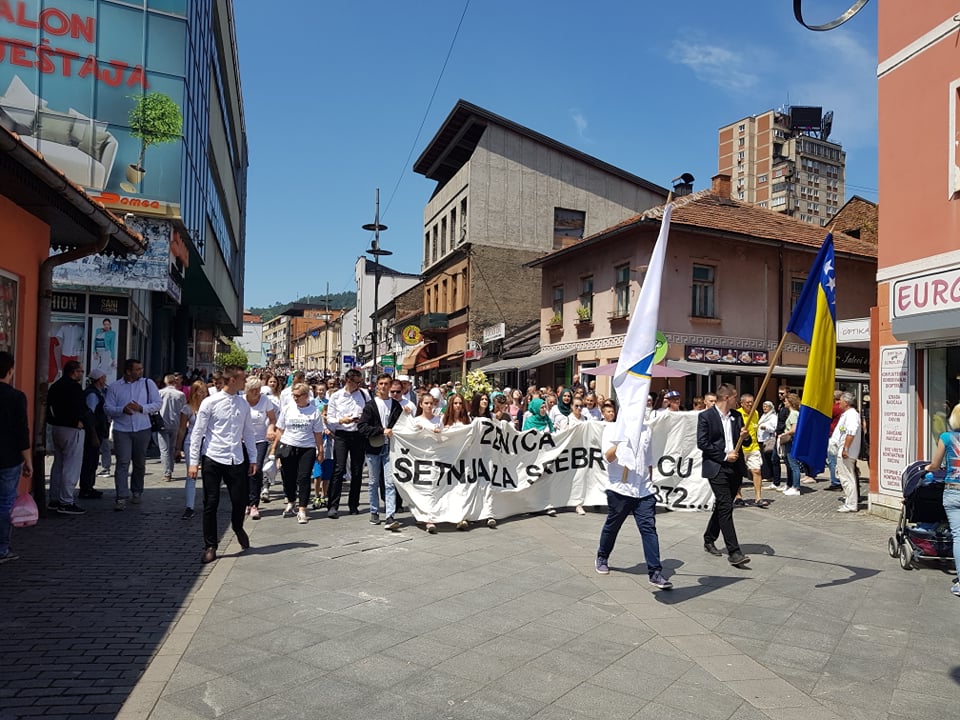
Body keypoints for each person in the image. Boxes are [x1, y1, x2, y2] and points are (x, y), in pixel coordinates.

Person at [594, 401, 672, 589]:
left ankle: (655, 572)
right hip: (620, 488)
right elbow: (608, 457)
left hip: (643, 490)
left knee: (648, 529)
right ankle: (602, 556)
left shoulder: (646, 430)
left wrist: (650, 482)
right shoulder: (612, 429)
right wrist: (623, 441)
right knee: (613, 525)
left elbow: (649, 460)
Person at [189, 366, 257, 563]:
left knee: (239, 500)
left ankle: (237, 526)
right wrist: (193, 462)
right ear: (232, 380)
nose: (245, 382)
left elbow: (248, 432)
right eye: (243, 379)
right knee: (211, 502)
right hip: (213, 456)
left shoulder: (243, 404)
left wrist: (253, 458)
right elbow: (198, 432)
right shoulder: (210, 402)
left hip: (236, 458)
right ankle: (210, 545)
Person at [697, 383, 750, 567]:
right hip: (717, 466)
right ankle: (734, 552)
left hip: (735, 468)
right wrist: (724, 456)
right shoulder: (706, 416)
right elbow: (702, 443)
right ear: (727, 398)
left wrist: (745, 435)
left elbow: (746, 441)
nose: (738, 401)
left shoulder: (737, 416)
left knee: (722, 505)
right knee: (726, 505)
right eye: (735, 397)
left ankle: (709, 538)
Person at [104, 358, 161, 511]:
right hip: (122, 429)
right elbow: (107, 408)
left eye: (141, 369)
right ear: (128, 371)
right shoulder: (115, 387)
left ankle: (137, 491)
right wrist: (122, 409)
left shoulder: (147, 384)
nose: (140, 372)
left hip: (143, 428)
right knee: (122, 462)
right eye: (137, 369)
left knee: (139, 462)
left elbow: (157, 403)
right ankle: (121, 496)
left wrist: (141, 408)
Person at [271, 382, 325, 524]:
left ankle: (302, 509)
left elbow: (318, 434)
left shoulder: (314, 411)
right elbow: (280, 430)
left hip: (307, 447)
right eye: (293, 395)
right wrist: (274, 449)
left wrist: (320, 450)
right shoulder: (288, 408)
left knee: (304, 478)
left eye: (298, 395)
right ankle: (291, 500)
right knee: (289, 477)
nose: (295, 398)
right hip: (288, 445)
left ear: (306, 396)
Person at [46, 360, 93, 515]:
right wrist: (79, 422)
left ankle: (54, 499)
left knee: (58, 464)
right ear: (74, 372)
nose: (82, 374)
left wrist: (53, 421)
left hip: (57, 427)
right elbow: (79, 408)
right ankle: (66, 501)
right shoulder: (74, 387)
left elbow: (49, 407)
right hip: (72, 429)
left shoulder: (55, 386)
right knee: (71, 466)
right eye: (80, 371)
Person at [358, 374, 402, 530]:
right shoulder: (370, 405)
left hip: (391, 449)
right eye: (381, 383)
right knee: (373, 482)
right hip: (373, 447)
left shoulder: (396, 405)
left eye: (387, 384)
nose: (384, 386)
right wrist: (381, 430)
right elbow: (362, 427)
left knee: (390, 483)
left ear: (390, 386)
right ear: (377, 385)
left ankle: (390, 515)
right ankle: (374, 511)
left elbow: (402, 425)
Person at [925, 402, 960, 597]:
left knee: (959, 536)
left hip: (953, 490)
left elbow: (936, 465)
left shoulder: (946, 437)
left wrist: (928, 468)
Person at [0, 351, 31, 564]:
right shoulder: (16, 397)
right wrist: (27, 460)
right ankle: (2, 548)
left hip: (9, 457)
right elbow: (22, 431)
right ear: (10, 371)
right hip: (9, 457)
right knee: (5, 502)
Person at [325, 368, 370, 517]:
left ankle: (354, 504)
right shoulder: (336, 396)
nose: (359, 385)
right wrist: (341, 420)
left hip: (358, 434)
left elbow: (369, 412)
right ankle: (333, 505)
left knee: (357, 470)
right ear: (348, 381)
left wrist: (362, 419)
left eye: (360, 382)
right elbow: (329, 418)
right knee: (339, 468)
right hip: (342, 434)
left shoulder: (364, 394)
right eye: (357, 382)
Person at [244, 377, 277, 520]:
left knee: (256, 470)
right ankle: (245, 501)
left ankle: (254, 504)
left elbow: (272, 418)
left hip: (260, 440)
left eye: (258, 389)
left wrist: (270, 429)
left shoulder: (265, 400)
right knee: (243, 471)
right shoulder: (241, 400)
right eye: (253, 390)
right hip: (243, 440)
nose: (256, 392)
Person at [175, 380, 208, 519]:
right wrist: (178, 447)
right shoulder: (187, 408)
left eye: (205, 391)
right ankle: (189, 506)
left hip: (207, 442)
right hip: (191, 442)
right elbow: (182, 429)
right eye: (200, 392)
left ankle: (208, 503)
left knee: (209, 474)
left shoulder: (210, 406)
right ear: (194, 393)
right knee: (191, 474)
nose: (203, 394)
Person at [412, 393, 442, 533]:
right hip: (419, 459)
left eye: (431, 403)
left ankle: (430, 519)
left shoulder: (439, 420)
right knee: (421, 488)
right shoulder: (416, 421)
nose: (429, 406)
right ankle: (422, 514)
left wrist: (439, 433)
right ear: (421, 405)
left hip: (436, 458)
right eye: (426, 403)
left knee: (432, 488)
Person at [78, 369, 109, 500]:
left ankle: (89, 486)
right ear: (99, 379)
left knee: (93, 459)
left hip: (97, 430)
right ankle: (86, 488)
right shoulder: (92, 394)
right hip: (93, 432)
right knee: (89, 460)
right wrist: (93, 433)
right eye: (104, 377)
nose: (105, 380)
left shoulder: (98, 392)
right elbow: (90, 414)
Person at [830, 392, 861, 513]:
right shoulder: (847, 414)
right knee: (845, 477)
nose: (839, 403)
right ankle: (850, 501)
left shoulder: (852, 415)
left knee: (847, 478)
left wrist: (845, 448)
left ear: (847, 403)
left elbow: (851, 432)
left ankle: (852, 504)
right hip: (843, 450)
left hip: (847, 452)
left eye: (841, 401)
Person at [736, 393, 768, 508]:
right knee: (738, 473)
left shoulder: (756, 413)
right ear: (742, 403)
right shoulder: (737, 414)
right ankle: (738, 496)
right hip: (740, 448)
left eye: (752, 402)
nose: (750, 404)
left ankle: (758, 498)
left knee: (757, 471)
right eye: (748, 402)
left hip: (753, 447)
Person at [157, 374, 186, 483]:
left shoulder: (160, 393)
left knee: (164, 449)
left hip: (162, 422)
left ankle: (167, 472)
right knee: (172, 447)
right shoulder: (180, 394)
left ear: (165, 382)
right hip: (176, 422)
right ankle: (170, 468)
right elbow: (183, 409)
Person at [779, 393, 802, 496]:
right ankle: (793, 485)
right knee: (791, 464)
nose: (784, 403)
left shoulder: (793, 414)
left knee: (793, 465)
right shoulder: (794, 413)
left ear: (790, 402)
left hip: (791, 441)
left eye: (786, 401)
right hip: (790, 441)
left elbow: (793, 429)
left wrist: (784, 434)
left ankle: (796, 487)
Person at [757, 400, 779, 489]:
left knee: (769, 458)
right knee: (764, 458)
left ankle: (770, 475)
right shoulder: (763, 416)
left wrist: (766, 427)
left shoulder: (773, 416)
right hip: (761, 439)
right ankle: (767, 475)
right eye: (763, 406)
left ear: (770, 407)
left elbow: (774, 428)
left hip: (768, 439)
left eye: (766, 406)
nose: (764, 408)